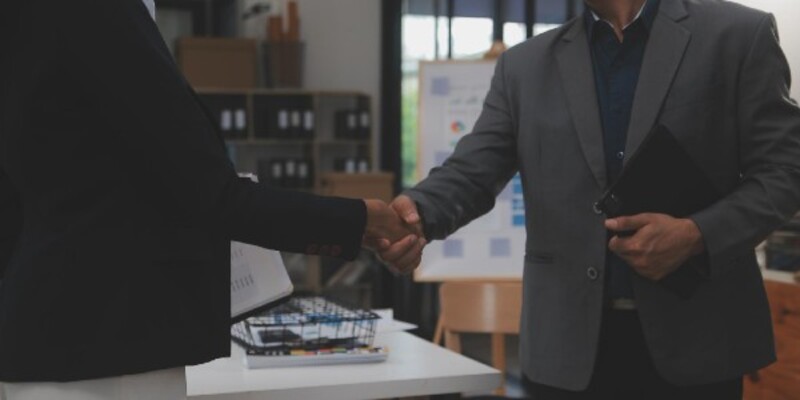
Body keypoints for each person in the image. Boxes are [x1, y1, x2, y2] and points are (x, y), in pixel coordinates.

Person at [380, 0, 800, 398]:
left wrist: (697, 235)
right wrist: (417, 212)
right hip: (566, 348)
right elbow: (472, 172)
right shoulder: (524, 66)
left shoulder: (739, 36)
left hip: (699, 340)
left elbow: (785, 172)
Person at [0, 1, 417, 399]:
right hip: (106, 342)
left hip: (45, 336)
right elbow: (209, 193)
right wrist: (363, 220)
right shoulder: (94, 10)